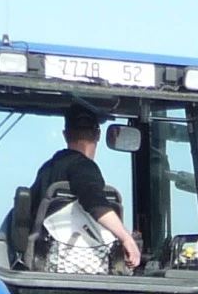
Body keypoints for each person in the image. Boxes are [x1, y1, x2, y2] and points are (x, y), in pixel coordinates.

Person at [29, 108, 143, 270]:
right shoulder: (85, 167)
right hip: (84, 266)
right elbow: (94, 202)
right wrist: (126, 238)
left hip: (45, 263)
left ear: (66, 135)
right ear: (98, 135)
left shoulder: (47, 169)